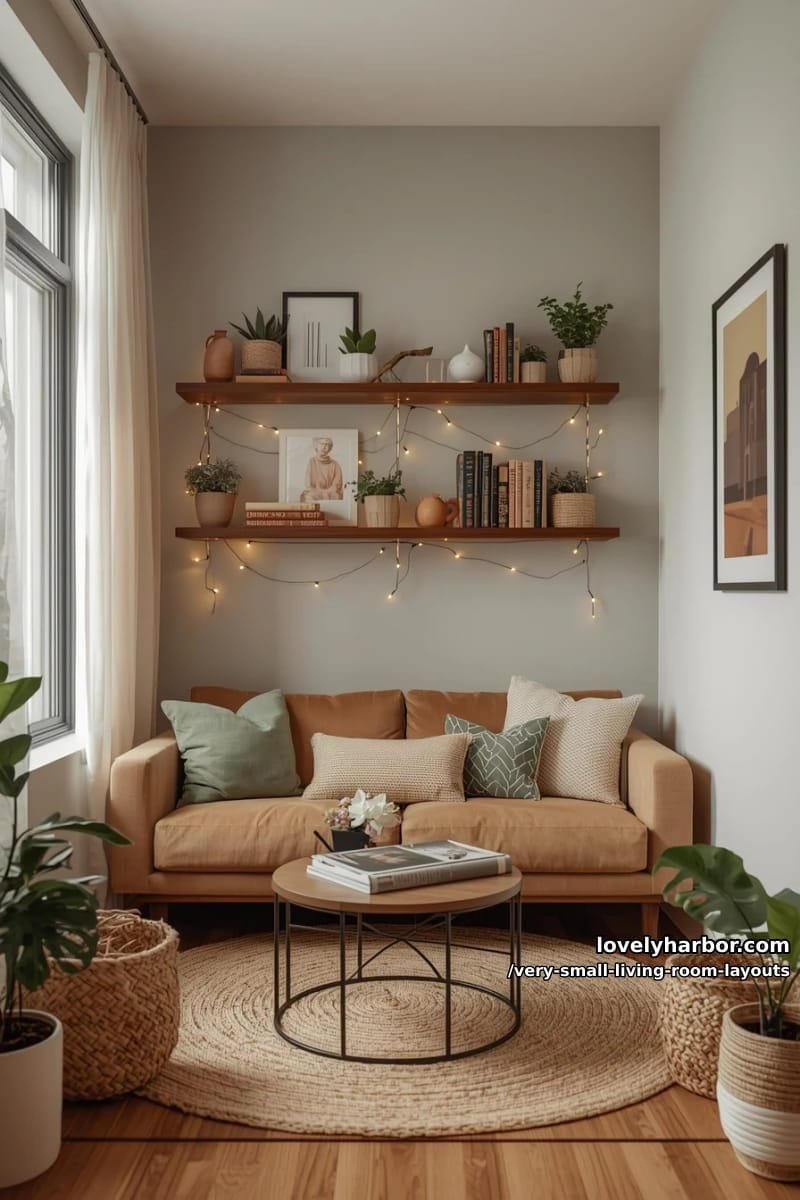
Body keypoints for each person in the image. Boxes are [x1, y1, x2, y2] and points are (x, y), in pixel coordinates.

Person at [301, 436, 343, 501]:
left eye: (327, 444)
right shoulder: (312, 461)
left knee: (337, 496)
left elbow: (337, 485)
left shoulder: (335, 464)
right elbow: (308, 484)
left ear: (330, 448)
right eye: (321, 444)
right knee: (309, 496)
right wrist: (321, 492)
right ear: (316, 446)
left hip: (330, 493)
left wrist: (326, 492)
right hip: (316, 492)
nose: (324, 447)